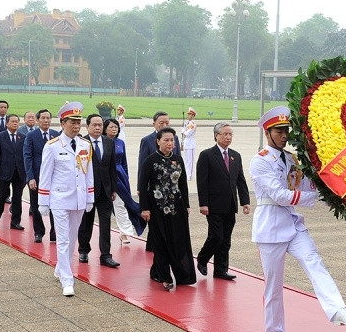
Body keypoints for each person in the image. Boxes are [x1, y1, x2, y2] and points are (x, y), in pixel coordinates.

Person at [250, 106, 346, 332]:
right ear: (267, 133)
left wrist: (337, 194)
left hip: (293, 224)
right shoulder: (259, 161)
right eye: (278, 131)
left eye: (285, 131)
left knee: (315, 262)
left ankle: (338, 310)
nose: (283, 135)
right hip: (270, 228)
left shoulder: (291, 159)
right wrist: (314, 196)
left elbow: (305, 185)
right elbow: (280, 195)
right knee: (273, 289)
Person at [37, 102, 94, 297]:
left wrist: (89, 197)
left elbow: (89, 174)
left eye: (78, 123)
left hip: (78, 199)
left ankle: (61, 268)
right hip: (59, 198)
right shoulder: (52, 146)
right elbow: (45, 174)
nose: (76, 126)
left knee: (72, 238)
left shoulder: (85, 145)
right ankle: (67, 280)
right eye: (72, 122)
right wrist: (43, 201)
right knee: (62, 240)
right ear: (62, 123)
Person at [138, 127, 196, 291]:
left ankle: (176, 273)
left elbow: (183, 183)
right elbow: (143, 185)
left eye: (172, 140)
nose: (170, 143)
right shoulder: (151, 160)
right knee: (161, 241)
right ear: (158, 142)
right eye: (166, 140)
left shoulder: (178, 159)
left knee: (177, 240)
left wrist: (186, 205)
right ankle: (165, 276)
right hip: (156, 207)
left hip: (176, 207)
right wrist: (144, 208)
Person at [196, 122, 250, 281]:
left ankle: (221, 270)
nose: (228, 137)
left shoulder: (236, 156)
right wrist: (203, 203)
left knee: (226, 240)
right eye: (225, 134)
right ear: (216, 136)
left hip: (230, 205)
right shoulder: (206, 155)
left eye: (230, 134)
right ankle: (202, 258)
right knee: (216, 237)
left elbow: (240, 180)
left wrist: (245, 201)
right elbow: (202, 181)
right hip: (213, 205)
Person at [77, 114, 120, 268]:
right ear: (87, 126)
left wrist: (113, 188)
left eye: (100, 125)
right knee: (86, 223)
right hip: (87, 191)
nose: (97, 128)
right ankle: (83, 250)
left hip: (105, 191)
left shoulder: (109, 142)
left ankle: (106, 255)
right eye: (94, 125)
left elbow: (111, 167)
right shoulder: (81, 143)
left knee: (106, 223)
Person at [103, 118, 145, 244]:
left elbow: (124, 162)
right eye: (111, 127)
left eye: (116, 127)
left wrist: (126, 177)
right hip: (108, 176)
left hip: (120, 175)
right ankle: (125, 232)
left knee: (121, 204)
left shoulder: (120, 142)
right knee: (117, 204)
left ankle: (124, 233)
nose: (114, 129)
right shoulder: (102, 142)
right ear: (105, 129)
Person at [23, 109, 60, 243]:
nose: (46, 121)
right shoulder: (31, 135)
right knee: (36, 204)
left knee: (54, 205)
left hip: (54, 177)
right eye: (43, 118)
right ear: (38, 120)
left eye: (48, 118)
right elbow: (27, 157)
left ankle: (54, 232)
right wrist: (30, 177)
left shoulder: (56, 135)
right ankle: (39, 232)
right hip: (37, 176)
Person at [0, 114, 26, 230]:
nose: (15, 123)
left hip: (19, 173)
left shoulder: (22, 137)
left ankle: (15, 221)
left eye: (17, 121)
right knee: (2, 195)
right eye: (13, 121)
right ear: (7, 123)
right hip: (5, 172)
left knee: (17, 197)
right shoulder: (0, 137)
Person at [181, 107, 198, 180]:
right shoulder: (188, 123)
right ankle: (187, 174)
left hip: (190, 143)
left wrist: (183, 131)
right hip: (187, 143)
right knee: (187, 160)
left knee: (190, 161)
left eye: (189, 114)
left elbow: (187, 133)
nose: (188, 116)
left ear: (193, 115)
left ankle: (189, 175)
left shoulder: (193, 124)